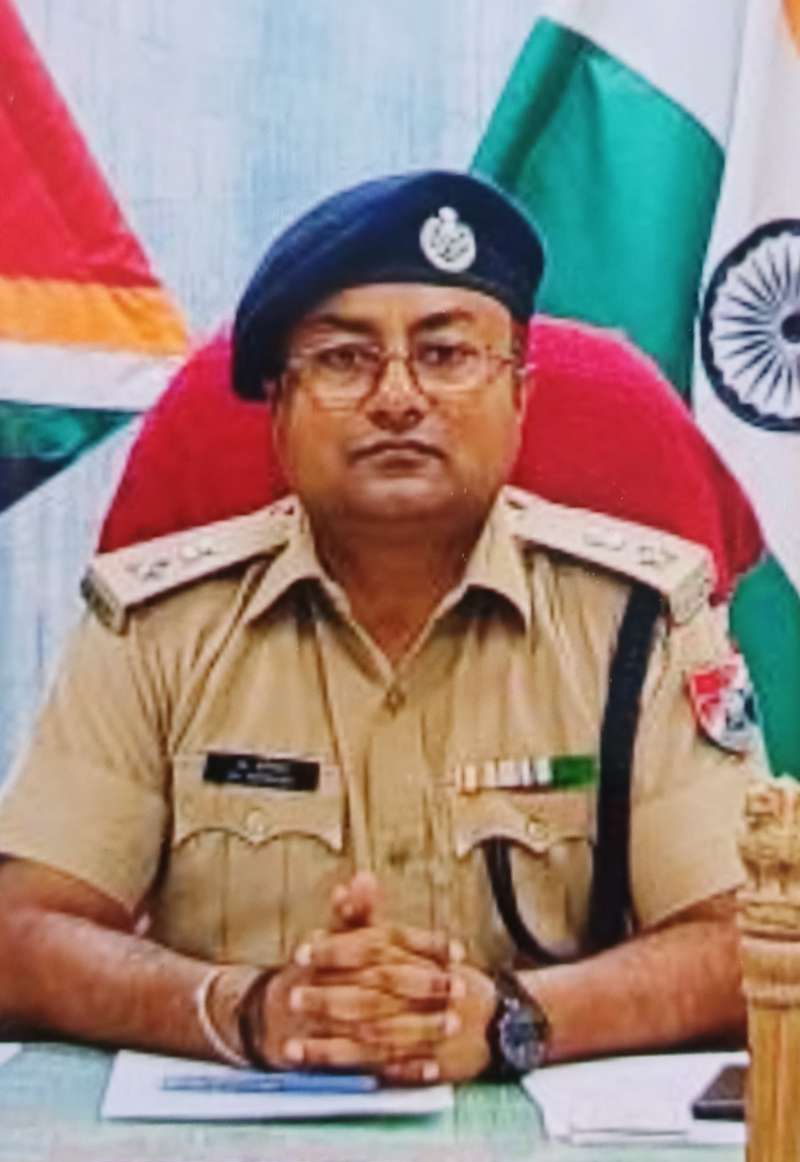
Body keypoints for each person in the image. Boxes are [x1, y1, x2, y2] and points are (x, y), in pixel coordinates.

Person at [0, 171, 758, 1083]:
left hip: (539, 1157)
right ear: (278, 410)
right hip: (233, 1152)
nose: (398, 397)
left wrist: (511, 1019)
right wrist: (248, 1009)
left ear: (520, 397)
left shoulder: (641, 617)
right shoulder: (158, 625)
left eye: (446, 355)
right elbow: (22, 934)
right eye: (344, 360)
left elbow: (748, 940)